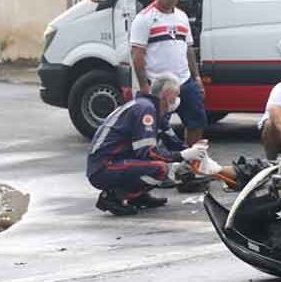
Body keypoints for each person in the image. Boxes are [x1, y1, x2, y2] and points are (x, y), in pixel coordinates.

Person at [86, 73, 209, 216]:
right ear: (166, 95)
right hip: (104, 166)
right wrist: (182, 155)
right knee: (161, 168)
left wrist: (195, 151)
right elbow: (147, 153)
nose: (178, 100)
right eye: (176, 95)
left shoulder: (155, 111)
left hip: (115, 161)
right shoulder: (146, 110)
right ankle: (113, 197)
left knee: (161, 164)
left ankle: (137, 196)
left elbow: (173, 142)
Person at [130, 0, 206, 146]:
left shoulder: (182, 17)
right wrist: (144, 86)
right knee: (153, 126)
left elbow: (188, 49)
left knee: (197, 121)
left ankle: (191, 161)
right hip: (159, 84)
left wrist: (196, 78)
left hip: (184, 81)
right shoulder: (144, 19)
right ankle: (154, 161)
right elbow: (137, 54)